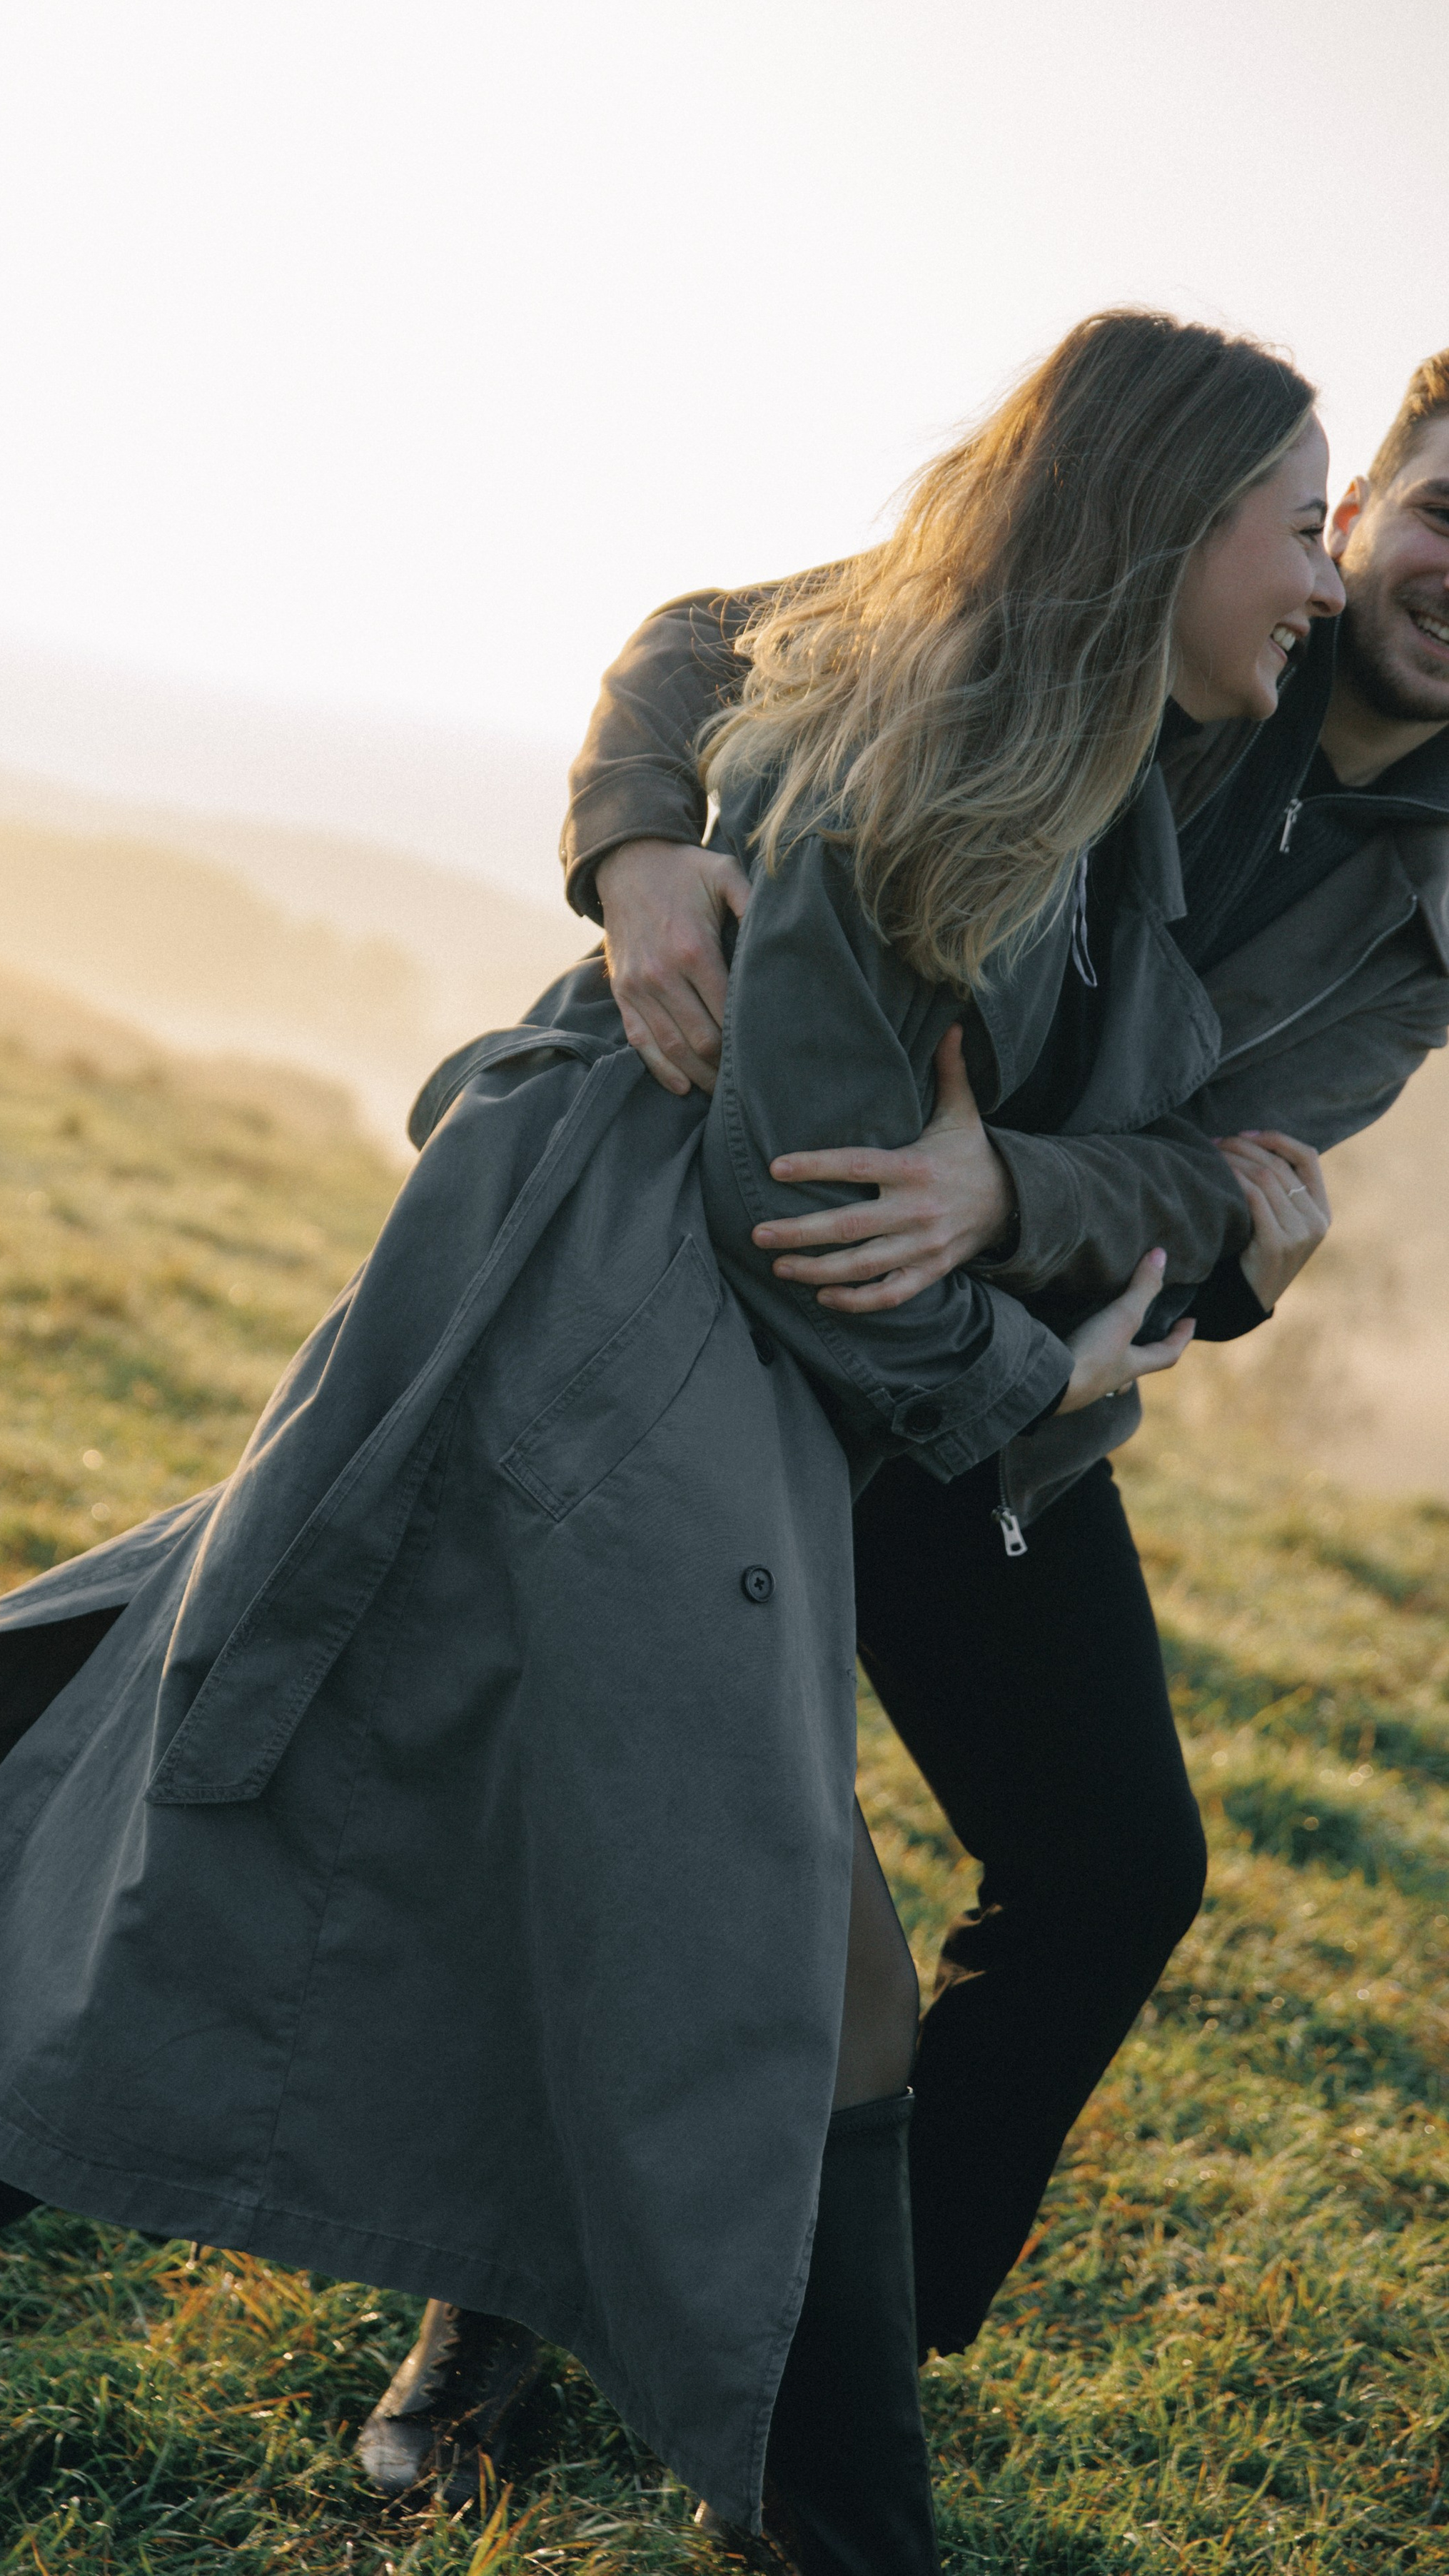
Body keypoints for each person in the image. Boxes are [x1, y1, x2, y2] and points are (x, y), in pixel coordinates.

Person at [0, 313, 1330, 2576]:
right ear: (1164, 518)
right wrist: (1054, 1378)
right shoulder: (938, 739)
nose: (1321, 583)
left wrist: (1121, 1221)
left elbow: (1158, 1149)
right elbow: (795, 1203)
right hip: (598, 1385)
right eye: (1299, 526)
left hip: (692, 1406)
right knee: (739, 1958)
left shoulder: (1108, 756)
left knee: (335, 1897)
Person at [353, 348, 1449, 2511]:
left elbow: (1249, 1193)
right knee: (677, 1865)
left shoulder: (1426, 896)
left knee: (1116, 1865)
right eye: (1448, 516)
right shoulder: (1138, 580)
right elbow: (722, 645)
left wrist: (1011, 1194)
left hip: (1001, 1365)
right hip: (753, 1302)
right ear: (1366, 505)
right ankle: (492, 2330)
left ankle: (824, 2369)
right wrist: (641, 847)